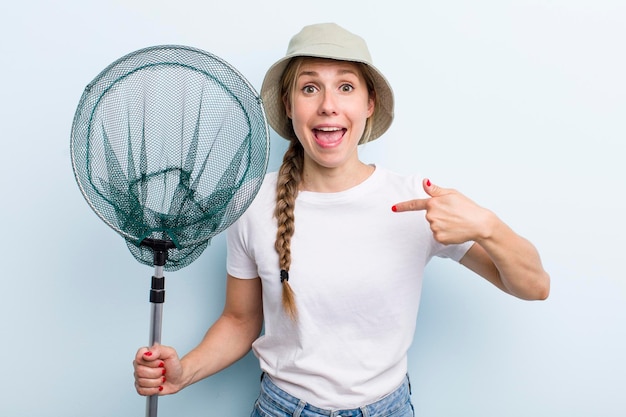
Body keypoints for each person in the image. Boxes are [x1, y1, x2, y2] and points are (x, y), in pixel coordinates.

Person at [133, 22, 550, 416]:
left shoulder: (415, 202)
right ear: (288, 105)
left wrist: (488, 227)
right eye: (310, 88)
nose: (328, 105)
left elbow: (534, 286)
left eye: (345, 87)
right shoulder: (252, 201)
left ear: (369, 104)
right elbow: (240, 320)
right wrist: (184, 370)